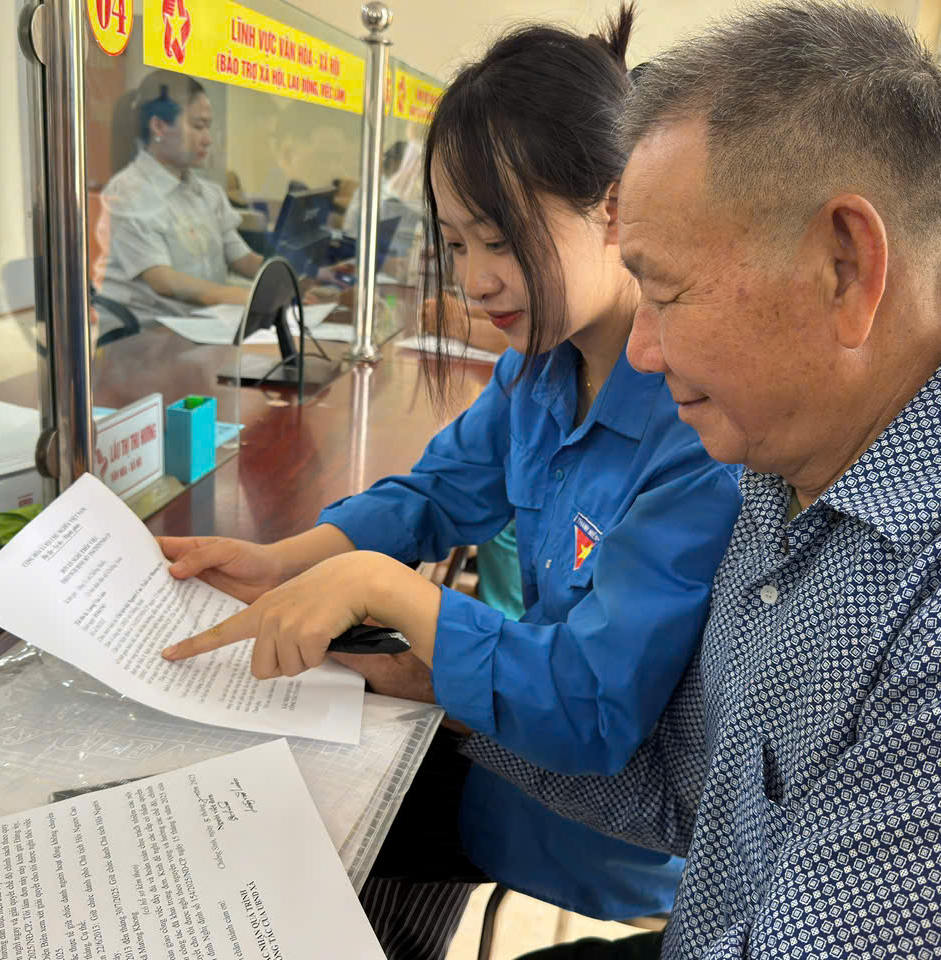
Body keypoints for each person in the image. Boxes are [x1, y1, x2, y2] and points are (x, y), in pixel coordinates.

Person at [426, 4, 941, 958]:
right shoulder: (785, 468)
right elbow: (697, 788)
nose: (641, 350)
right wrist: (439, 685)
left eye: (665, 293)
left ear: (846, 266)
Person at [156, 7, 744, 958]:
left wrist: (388, 594)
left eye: (500, 240)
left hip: (604, 807)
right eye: (458, 242)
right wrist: (285, 561)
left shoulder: (697, 423)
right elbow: (436, 495)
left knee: (313, 829)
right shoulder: (540, 368)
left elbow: (593, 711)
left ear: (615, 207)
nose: (474, 280)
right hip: (527, 716)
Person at [96, 72, 263, 317]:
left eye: (208, 127)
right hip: (150, 332)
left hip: (204, 325)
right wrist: (249, 298)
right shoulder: (128, 192)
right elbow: (164, 280)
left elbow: (242, 259)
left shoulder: (208, 194)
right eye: (198, 126)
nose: (207, 140)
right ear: (159, 126)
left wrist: (295, 279)